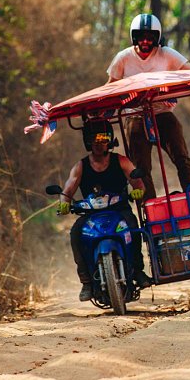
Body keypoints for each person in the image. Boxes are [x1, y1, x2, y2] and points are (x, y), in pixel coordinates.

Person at [57, 118, 152, 301]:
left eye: (103, 138)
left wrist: (138, 191)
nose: (99, 144)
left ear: (110, 140)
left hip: (120, 211)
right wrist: (64, 203)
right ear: (88, 142)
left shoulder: (121, 161)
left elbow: (137, 181)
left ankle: (138, 271)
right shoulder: (80, 166)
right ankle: (86, 282)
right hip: (91, 214)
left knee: (133, 227)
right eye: (95, 139)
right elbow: (67, 190)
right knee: (76, 233)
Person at [107, 13, 190, 199]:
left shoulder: (167, 54)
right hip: (135, 115)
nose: (146, 42)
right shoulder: (123, 58)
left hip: (163, 113)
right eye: (141, 37)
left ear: (157, 38)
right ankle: (150, 210)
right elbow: (109, 87)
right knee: (140, 168)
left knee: (182, 158)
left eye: (150, 38)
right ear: (134, 37)